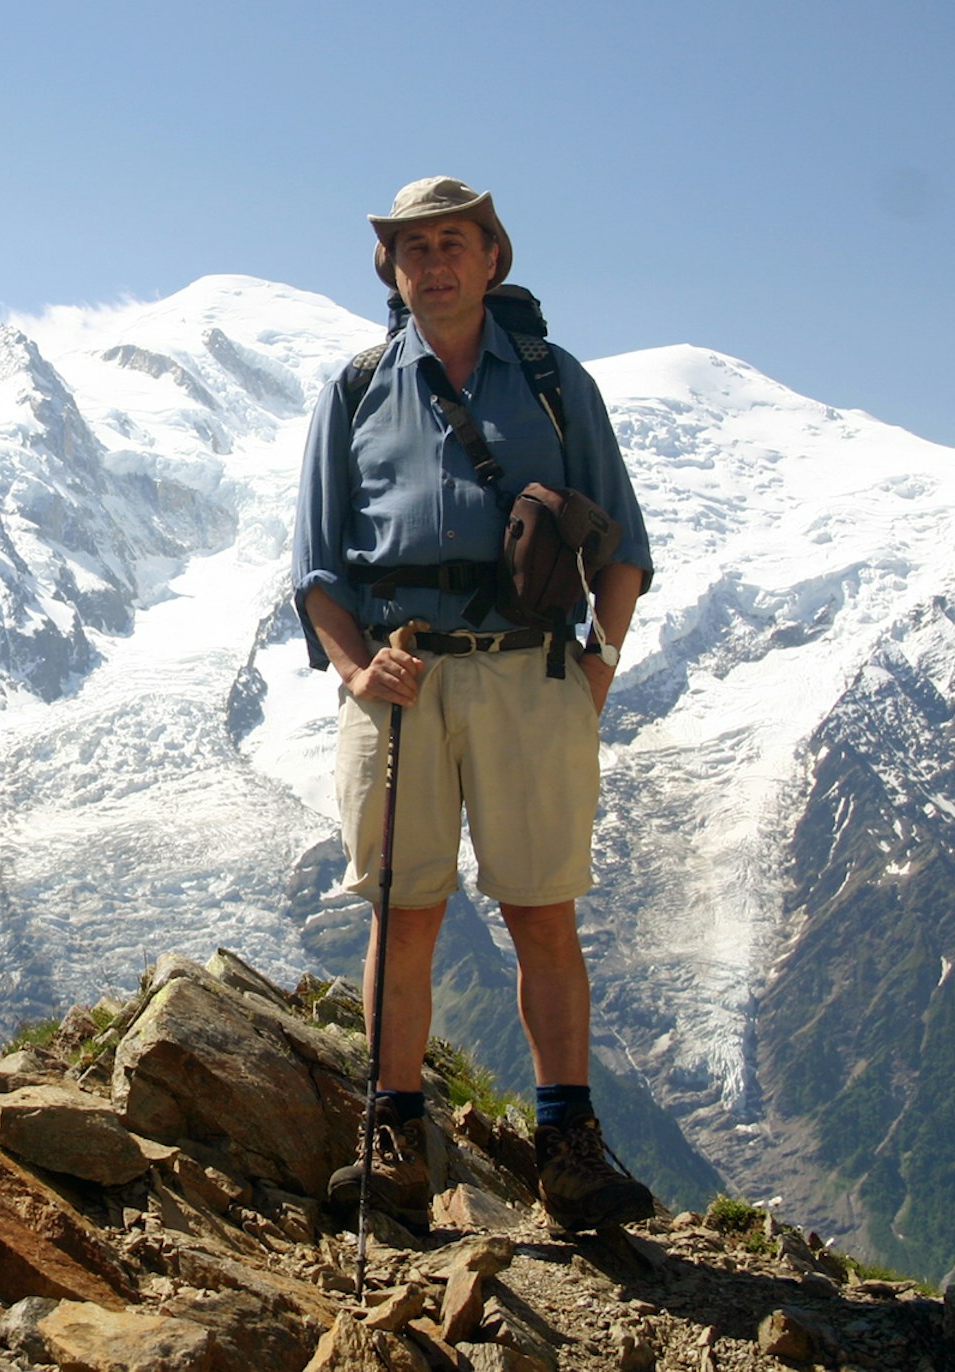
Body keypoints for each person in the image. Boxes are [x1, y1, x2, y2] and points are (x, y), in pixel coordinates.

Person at [291, 175, 656, 1235]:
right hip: (398, 672)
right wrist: (358, 672)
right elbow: (317, 569)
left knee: (542, 910)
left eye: (453, 243)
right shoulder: (357, 386)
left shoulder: (551, 379)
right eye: (415, 249)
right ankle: (396, 1140)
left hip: (533, 669)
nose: (434, 263)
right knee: (405, 914)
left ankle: (569, 1151)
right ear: (392, 271)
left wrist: (602, 661)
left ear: (492, 257)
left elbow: (623, 541)